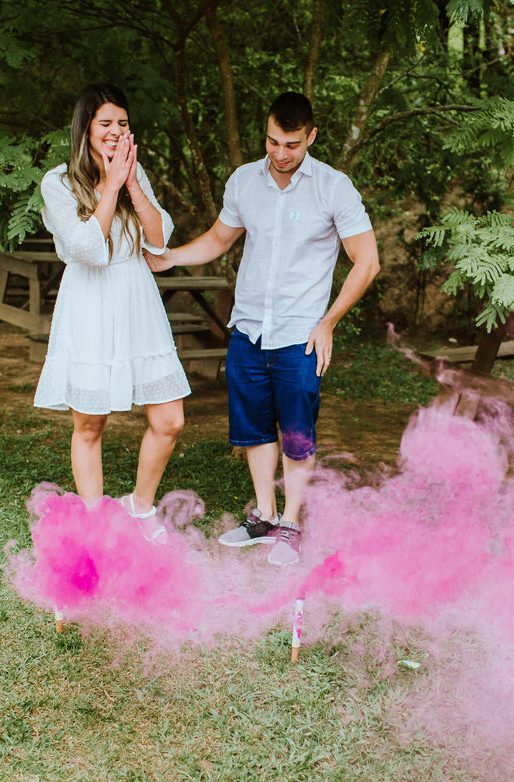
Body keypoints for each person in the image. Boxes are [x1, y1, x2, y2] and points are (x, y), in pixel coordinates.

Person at [144, 91, 379, 565]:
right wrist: (168, 258)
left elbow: (367, 262)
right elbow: (217, 239)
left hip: (300, 335)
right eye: (272, 141)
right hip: (248, 330)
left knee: (296, 433)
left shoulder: (334, 187)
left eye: (291, 144)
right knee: (253, 431)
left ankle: (291, 523)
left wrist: (329, 321)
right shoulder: (243, 181)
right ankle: (265, 518)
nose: (280, 152)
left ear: (311, 137)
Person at [33, 83, 187, 541]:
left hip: (137, 299)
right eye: (106, 124)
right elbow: (86, 248)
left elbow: (158, 239)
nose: (116, 132)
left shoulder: (134, 174)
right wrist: (110, 185)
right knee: (90, 422)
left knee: (169, 419)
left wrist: (133, 183)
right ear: (86, 129)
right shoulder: (59, 183)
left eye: (123, 123)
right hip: (89, 304)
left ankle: (140, 509)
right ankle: (96, 520)